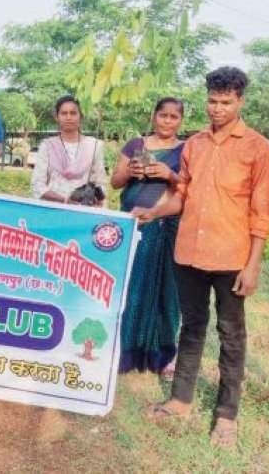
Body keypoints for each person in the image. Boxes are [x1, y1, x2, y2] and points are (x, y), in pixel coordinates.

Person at [133, 66, 269, 448]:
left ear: (241, 101)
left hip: (232, 257)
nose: (217, 109)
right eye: (212, 101)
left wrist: (253, 264)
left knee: (231, 335)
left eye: (226, 102)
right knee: (192, 327)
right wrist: (152, 212)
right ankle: (180, 399)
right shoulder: (194, 145)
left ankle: (227, 415)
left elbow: (262, 214)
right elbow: (182, 196)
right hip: (189, 254)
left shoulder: (259, 149)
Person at [111, 97, 184, 379]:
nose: (166, 121)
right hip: (133, 224)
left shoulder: (186, 149)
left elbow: (189, 187)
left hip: (165, 224)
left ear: (180, 120)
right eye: (162, 115)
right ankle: (124, 350)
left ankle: (164, 355)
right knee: (130, 286)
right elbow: (116, 182)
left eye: (173, 117)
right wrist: (129, 172)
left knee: (167, 290)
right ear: (154, 116)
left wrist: (169, 174)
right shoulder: (135, 145)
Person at [30, 95, 107, 205]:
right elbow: (37, 184)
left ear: (81, 117)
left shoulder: (94, 145)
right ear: (57, 117)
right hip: (53, 207)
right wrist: (65, 201)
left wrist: (96, 198)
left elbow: (100, 183)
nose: (68, 117)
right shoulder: (47, 146)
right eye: (64, 113)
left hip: (84, 209)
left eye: (73, 113)